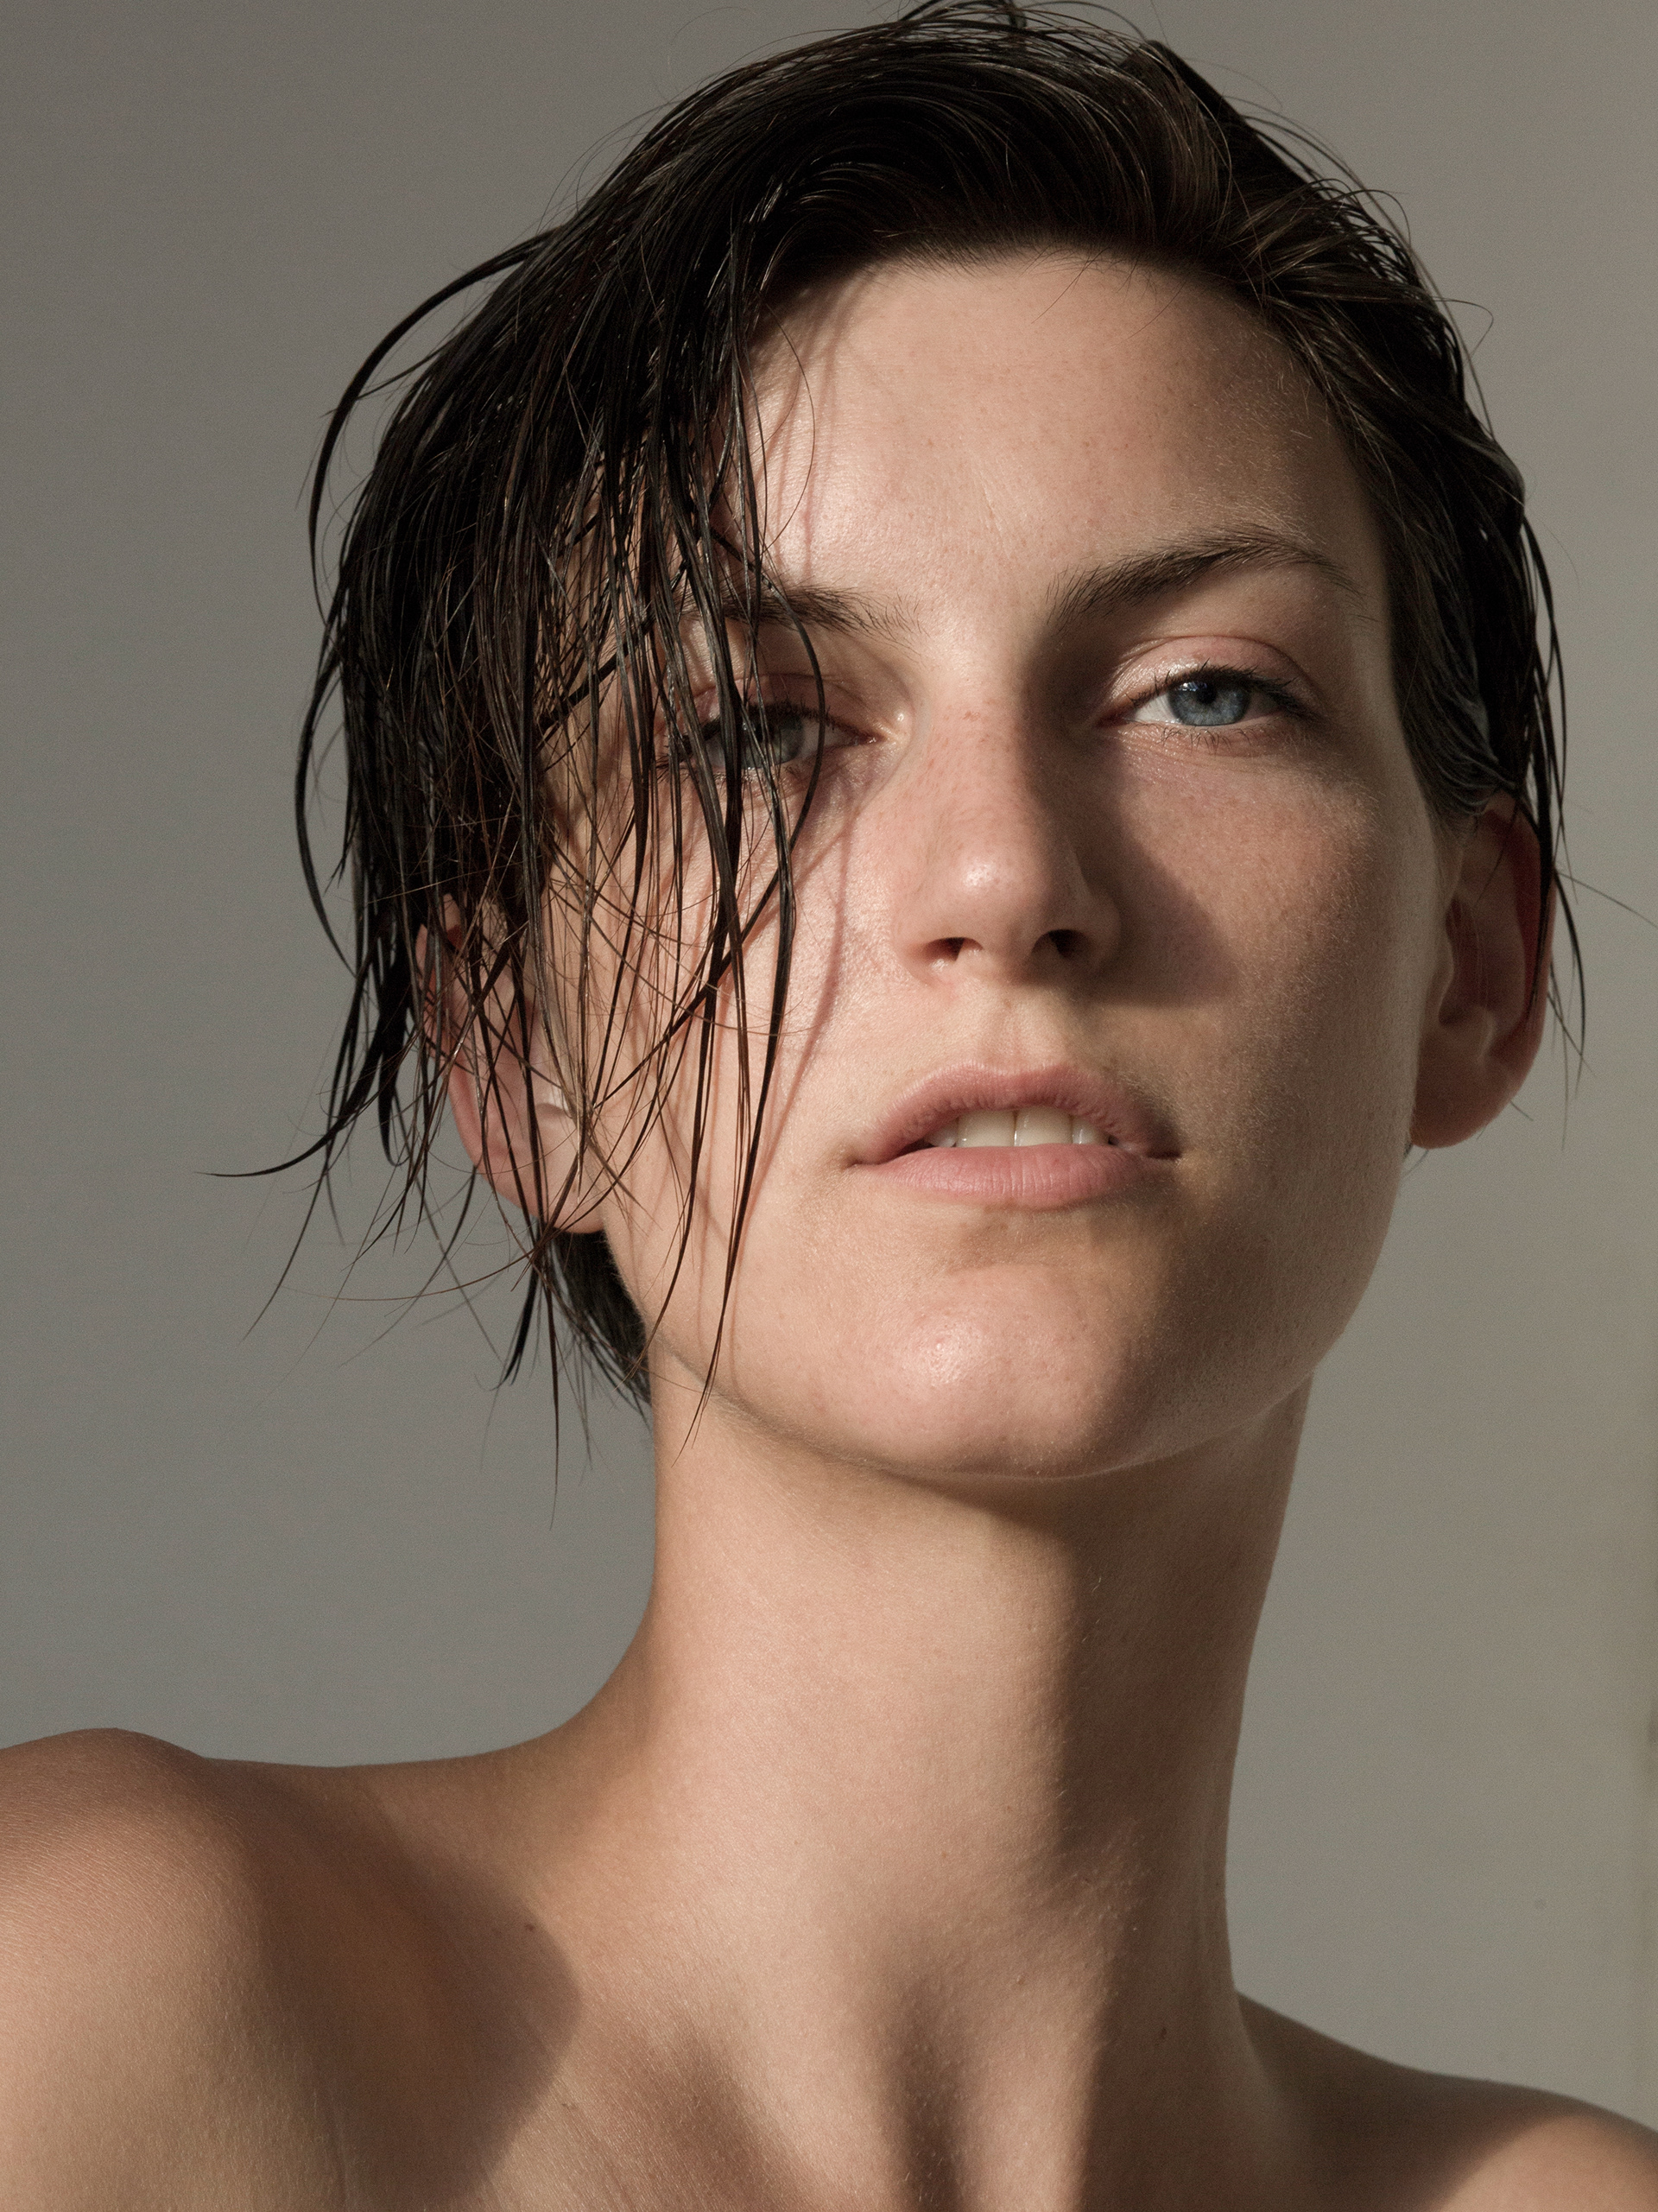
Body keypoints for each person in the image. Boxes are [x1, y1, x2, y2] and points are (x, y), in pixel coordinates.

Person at [3, 5, 1654, 2204]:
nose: (1007, 879)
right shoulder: (106, 2013)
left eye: (1204, 693)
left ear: (1472, 965)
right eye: (759, 733)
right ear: (511, 1052)